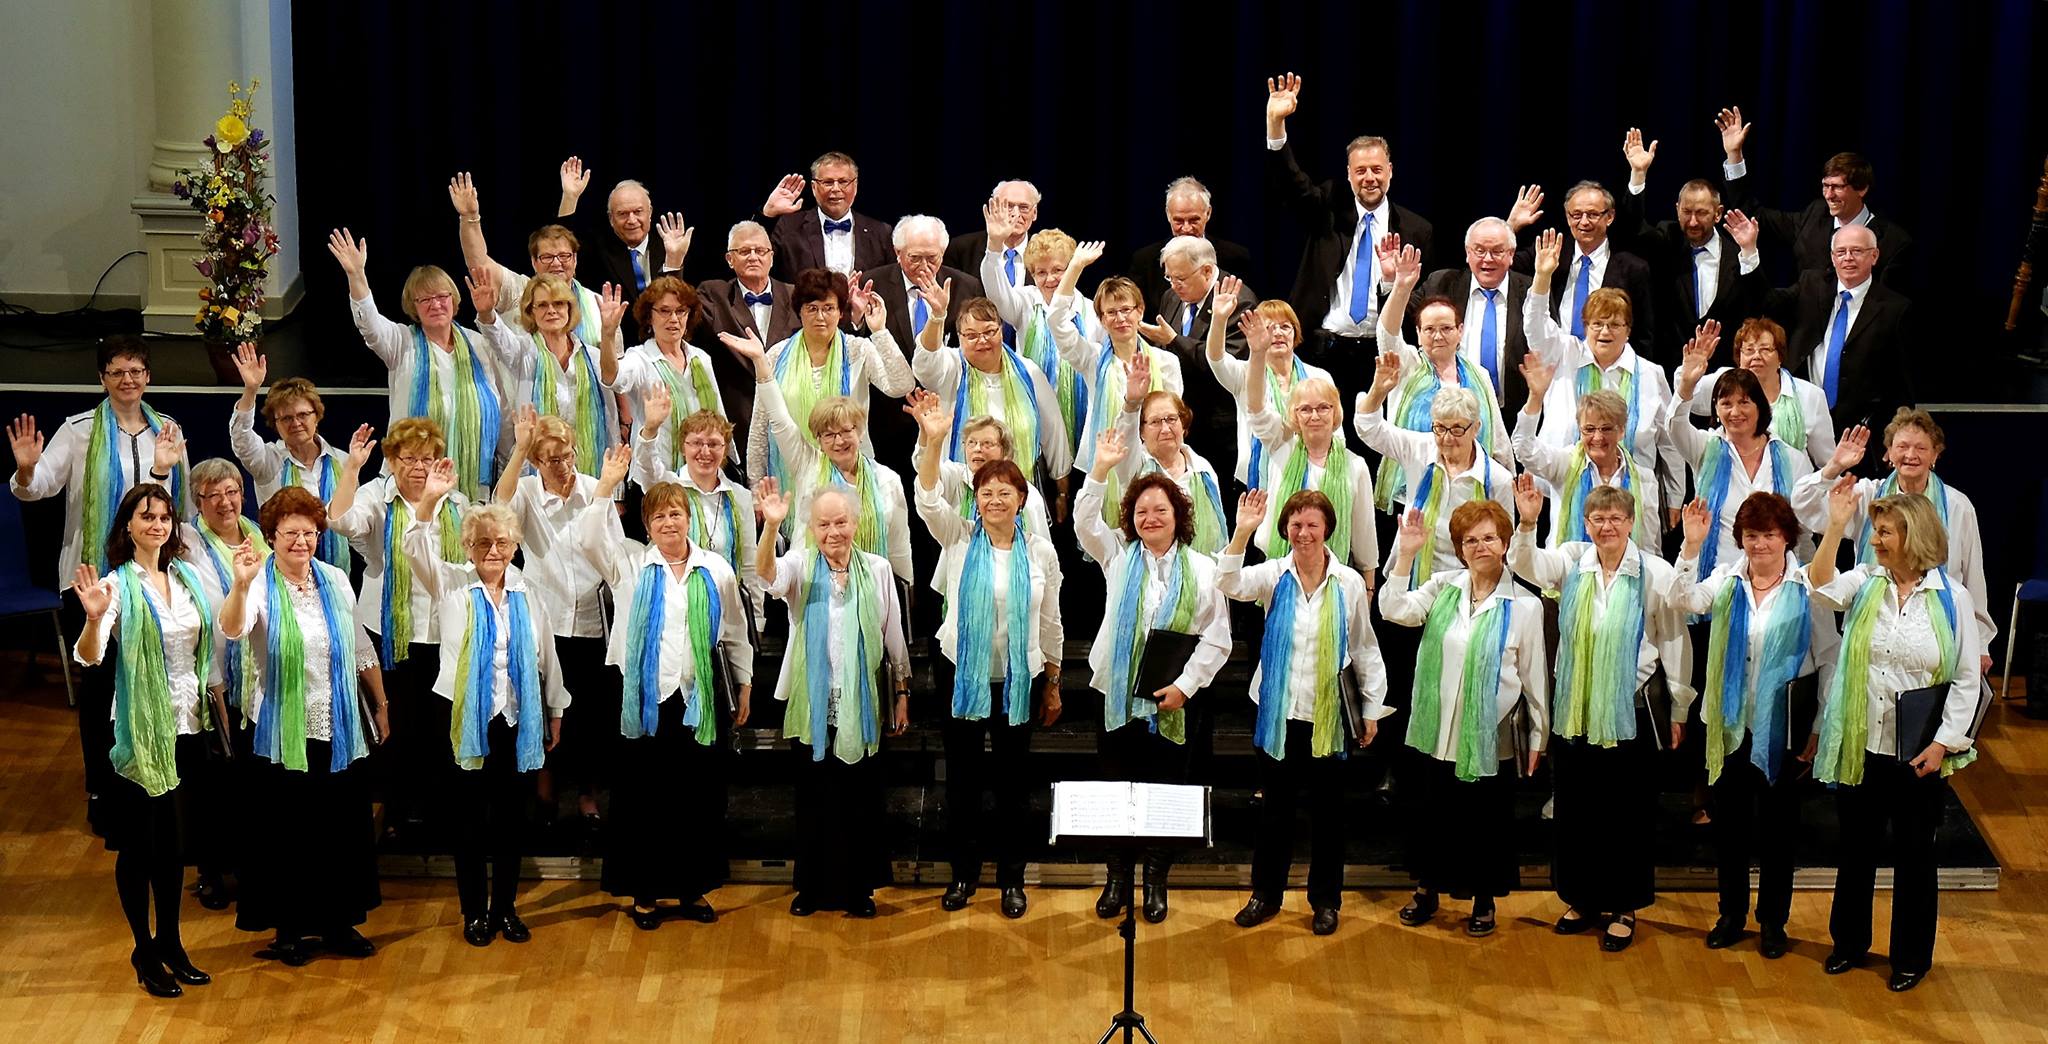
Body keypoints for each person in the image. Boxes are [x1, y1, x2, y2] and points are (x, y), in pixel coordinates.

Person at [11, 335, 191, 834]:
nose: (127, 380)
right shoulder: (80, 431)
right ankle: (101, 789)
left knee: (148, 682)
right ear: (102, 379)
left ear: (148, 377)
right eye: (116, 372)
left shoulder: (168, 432)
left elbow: (174, 510)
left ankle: (149, 782)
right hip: (91, 580)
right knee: (100, 689)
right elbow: (37, 488)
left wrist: (163, 469)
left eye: (135, 371)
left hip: (150, 579)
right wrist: (26, 470)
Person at [1507, 475, 1692, 953]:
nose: (1606, 526)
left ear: (1631, 522)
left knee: (1625, 814)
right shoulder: (1572, 560)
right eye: (1598, 518)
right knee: (1577, 810)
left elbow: (1674, 636)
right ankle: (1581, 899)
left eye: (1615, 518)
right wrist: (1527, 521)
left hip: (1628, 713)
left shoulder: (1651, 571)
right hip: (1577, 709)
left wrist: (1679, 701)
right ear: (1586, 523)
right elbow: (1524, 562)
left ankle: (1624, 905)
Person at [1808, 483, 1982, 992]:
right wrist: (1836, 526)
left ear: (1915, 536)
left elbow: (1967, 679)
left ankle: (1910, 957)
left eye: (1885, 531)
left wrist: (1944, 743)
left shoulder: (1952, 598)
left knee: (1914, 858)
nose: (1877, 539)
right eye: (1876, 530)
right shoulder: (1865, 580)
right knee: (1856, 850)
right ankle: (1849, 943)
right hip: (1863, 746)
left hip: (1918, 755)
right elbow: (1819, 586)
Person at [578, 445, 753, 929]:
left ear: (688, 518)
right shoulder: (631, 567)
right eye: (659, 517)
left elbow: (735, 632)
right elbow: (589, 538)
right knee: (643, 802)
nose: (669, 523)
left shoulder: (714, 568)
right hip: (645, 702)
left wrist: (744, 683)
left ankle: (692, 890)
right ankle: (645, 896)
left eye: (676, 513)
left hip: (699, 701)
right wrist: (606, 485)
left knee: (697, 799)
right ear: (647, 525)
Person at [403, 467, 569, 948]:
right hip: (463, 718)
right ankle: (474, 912)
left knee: (511, 822)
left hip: (516, 720)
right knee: (470, 821)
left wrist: (555, 710)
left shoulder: (527, 593)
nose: (492, 551)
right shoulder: (451, 585)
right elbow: (415, 546)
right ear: (469, 548)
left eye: (501, 543)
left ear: (514, 546)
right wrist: (431, 500)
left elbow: (547, 657)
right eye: (482, 544)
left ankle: (507, 909)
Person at [216, 486, 383, 967]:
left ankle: (339, 922)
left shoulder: (333, 577)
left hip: (338, 722)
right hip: (280, 727)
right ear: (270, 536)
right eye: (290, 533)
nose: (301, 541)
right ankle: (288, 929)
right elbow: (232, 629)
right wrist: (241, 584)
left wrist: (380, 700)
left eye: (309, 532)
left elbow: (356, 646)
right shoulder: (260, 583)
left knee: (339, 829)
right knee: (286, 833)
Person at [1668, 492, 1837, 960]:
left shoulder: (1809, 588)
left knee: (1778, 832)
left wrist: (1820, 726)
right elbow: (1681, 599)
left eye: (1768, 534)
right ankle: (1731, 914)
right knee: (1731, 829)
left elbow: (1828, 660)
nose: (1759, 544)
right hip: (1728, 726)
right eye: (1750, 535)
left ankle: (1773, 923)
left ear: (1787, 537)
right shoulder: (1725, 579)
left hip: (1781, 729)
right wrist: (1691, 545)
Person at [1075, 429, 1231, 924]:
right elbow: (1083, 520)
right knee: (1116, 786)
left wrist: (1184, 687)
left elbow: (1218, 638)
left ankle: (1156, 880)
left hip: (1173, 700)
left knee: (1165, 791)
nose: (1150, 518)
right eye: (1141, 511)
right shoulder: (1118, 559)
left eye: (1160, 510)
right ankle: (1118, 877)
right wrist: (1099, 469)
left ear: (1178, 516)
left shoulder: (1205, 570)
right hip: (1119, 697)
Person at [70, 484, 221, 998]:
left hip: (187, 727)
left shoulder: (188, 577)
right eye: (146, 516)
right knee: (140, 846)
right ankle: (143, 947)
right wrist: (93, 620)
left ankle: (172, 941)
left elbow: (213, 643)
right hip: (140, 732)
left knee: (175, 848)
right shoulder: (116, 585)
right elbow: (88, 658)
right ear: (127, 527)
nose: (157, 524)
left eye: (164, 517)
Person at [1219, 488, 1388, 935]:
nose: (1304, 532)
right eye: (1296, 525)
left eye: (1313, 524)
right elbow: (1228, 583)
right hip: (1278, 712)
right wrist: (1241, 533)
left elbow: (1364, 648)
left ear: (1327, 529)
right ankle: (1265, 894)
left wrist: (1370, 708)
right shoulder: (1274, 574)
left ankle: (1325, 901)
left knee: (1328, 815)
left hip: (1327, 715)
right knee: (1275, 810)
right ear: (1285, 531)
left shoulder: (1350, 582)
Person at [1378, 500, 1547, 937]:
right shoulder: (1442, 588)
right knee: (1433, 816)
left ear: (1506, 543)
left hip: (1490, 735)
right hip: (1437, 731)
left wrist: (1539, 738)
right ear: (1459, 548)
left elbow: (1533, 678)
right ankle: (1427, 889)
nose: (1481, 547)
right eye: (1470, 540)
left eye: (1489, 537)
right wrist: (1407, 554)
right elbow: (1392, 608)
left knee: (1485, 822)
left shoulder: (1525, 606)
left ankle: (1484, 900)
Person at [913, 454, 1064, 919]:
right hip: (963, 674)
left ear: (1022, 499)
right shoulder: (958, 537)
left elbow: (1051, 619)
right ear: (975, 500)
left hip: (1019, 679)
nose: (995, 500)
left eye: (1005, 492)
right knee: (963, 781)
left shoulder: (1040, 551)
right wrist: (932, 439)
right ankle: (963, 874)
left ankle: (1012, 879)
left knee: (1013, 785)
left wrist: (1054, 681)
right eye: (986, 492)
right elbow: (927, 500)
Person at [755, 482, 912, 918]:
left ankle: (858, 889)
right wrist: (770, 526)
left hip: (861, 703)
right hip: (813, 703)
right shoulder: (801, 565)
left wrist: (901, 693)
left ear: (856, 524)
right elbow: (766, 574)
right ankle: (812, 887)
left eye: (841, 522)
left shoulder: (878, 569)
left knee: (860, 799)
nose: (833, 532)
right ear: (811, 527)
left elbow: (892, 636)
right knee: (813, 799)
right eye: (823, 524)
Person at [327, 417, 468, 834]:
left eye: (428, 458)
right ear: (392, 459)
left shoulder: (455, 503)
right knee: (396, 724)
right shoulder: (376, 497)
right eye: (409, 458)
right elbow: (339, 520)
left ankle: (439, 806)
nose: (420, 467)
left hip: (442, 629)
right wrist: (352, 467)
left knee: (438, 722)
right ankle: (398, 808)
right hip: (387, 629)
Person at [1263, 72, 1435, 411]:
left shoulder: (1417, 229)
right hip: (1325, 351)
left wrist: (1390, 282)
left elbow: (1420, 303)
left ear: (1390, 171)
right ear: (1348, 174)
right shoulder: (1327, 207)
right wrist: (1276, 128)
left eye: (1376, 169)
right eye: (1360, 171)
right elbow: (1293, 186)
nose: (1369, 178)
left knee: (1378, 447)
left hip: (1382, 355)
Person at [1791, 410, 1995, 676]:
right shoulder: (1867, 496)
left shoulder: (1957, 506)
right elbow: (1803, 505)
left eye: (1921, 447)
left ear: (1935, 455)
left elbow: (1973, 577)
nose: (1911, 454)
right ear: (1888, 453)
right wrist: (1834, 466)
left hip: (1936, 633)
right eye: (1902, 446)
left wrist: (1980, 644)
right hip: (1872, 629)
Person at [494, 408, 618, 824]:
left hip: (593, 618)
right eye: (551, 459)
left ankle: (587, 792)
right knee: (547, 705)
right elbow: (499, 507)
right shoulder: (527, 491)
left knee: (592, 711)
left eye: (567, 455)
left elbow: (614, 549)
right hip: (548, 618)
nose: (562, 465)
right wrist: (520, 447)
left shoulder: (593, 489)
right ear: (535, 461)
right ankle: (544, 787)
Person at [329, 228, 505, 503]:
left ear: (454, 300)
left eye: (441, 296)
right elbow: (370, 324)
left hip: (472, 483)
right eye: (425, 299)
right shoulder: (401, 342)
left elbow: (500, 406)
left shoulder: (480, 345)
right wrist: (356, 275)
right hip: (413, 482)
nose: (435, 304)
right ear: (414, 306)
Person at [1525, 229, 1683, 530]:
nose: (1605, 332)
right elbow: (1535, 327)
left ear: (1628, 329)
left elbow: (1669, 442)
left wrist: (1674, 497)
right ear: (1585, 326)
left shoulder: (1650, 374)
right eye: (1597, 324)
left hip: (1633, 495)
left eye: (1614, 324)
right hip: (1567, 491)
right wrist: (1542, 278)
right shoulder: (1565, 356)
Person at [736, 333, 913, 582]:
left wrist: (905, 594)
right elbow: (778, 418)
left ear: (860, 431)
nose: (839, 441)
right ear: (817, 439)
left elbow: (899, 550)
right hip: (811, 590)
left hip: (871, 593)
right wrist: (761, 364)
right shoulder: (807, 463)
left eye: (845, 432)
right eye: (828, 435)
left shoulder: (888, 480)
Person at [1730, 214, 1913, 440]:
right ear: (1832, 258)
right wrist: (1749, 251)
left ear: (1874, 256)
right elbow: (1767, 305)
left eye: (1857, 251)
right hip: (1802, 423)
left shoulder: (1895, 309)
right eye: (1841, 252)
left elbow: (1901, 384)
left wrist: (1897, 436)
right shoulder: (1811, 285)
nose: (1848, 258)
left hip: (1861, 433)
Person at [729, 268, 913, 485]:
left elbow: (901, 385)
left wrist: (880, 331)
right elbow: (760, 423)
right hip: (792, 474)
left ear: (840, 313)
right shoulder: (777, 355)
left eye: (828, 308)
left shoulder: (858, 349)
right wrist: (756, 484)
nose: (820, 317)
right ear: (800, 312)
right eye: (812, 308)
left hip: (851, 472)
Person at [1355, 352, 1516, 587]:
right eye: (1440, 428)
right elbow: (1368, 429)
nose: (1448, 438)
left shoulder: (1497, 479)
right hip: (1414, 580)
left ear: (1476, 428)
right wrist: (1378, 391)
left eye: (1457, 429)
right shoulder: (1419, 449)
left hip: (1468, 586)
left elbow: (1503, 543)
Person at [1666, 327, 1815, 576]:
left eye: (1744, 402)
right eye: (1726, 403)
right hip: (1717, 581)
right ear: (1716, 409)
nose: (1735, 412)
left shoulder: (1793, 459)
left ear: (1760, 406)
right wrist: (1687, 384)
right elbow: (1674, 425)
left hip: (1777, 586)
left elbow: (1804, 530)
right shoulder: (1704, 448)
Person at [1716, 109, 1914, 290]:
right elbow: (1754, 214)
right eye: (1825, 186)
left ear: (1861, 189)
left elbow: (1889, 308)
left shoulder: (1893, 242)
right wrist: (1735, 156)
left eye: (1837, 187)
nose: (1828, 195)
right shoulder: (1813, 216)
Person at [1372, 245, 1511, 501]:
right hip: (1414, 490)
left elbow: (1499, 439)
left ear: (1460, 331)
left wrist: (1506, 482)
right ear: (1418, 334)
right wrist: (1401, 287)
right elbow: (1386, 334)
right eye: (1429, 329)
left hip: (1472, 490)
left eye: (1446, 328)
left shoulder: (1478, 374)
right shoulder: (1409, 364)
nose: (1438, 336)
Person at [1243, 322, 1378, 583]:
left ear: (1335, 412)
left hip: (1334, 574)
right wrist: (1258, 354)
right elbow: (1257, 409)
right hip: (1278, 571)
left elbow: (1364, 531)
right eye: (1305, 409)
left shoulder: (1356, 465)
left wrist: (1369, 586)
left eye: (1323, 408)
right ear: (1294, 415)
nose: (1314, 415)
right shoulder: (1280, 446)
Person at [1616, 127, 1762, 365]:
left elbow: (1757, 303)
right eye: (1686, 212)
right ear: (1677, 210)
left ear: (1718, 214)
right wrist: (1638, 174)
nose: (1692, 221)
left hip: (1723, 371)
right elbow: (1631, 232)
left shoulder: (1739, 252)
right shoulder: (1667, 239)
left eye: (1702, 213)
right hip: (1670, 369)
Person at [470, 267, 627, 483]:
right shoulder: (523, 352)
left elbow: (610, 421)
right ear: (530, 312)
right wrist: (487, 313)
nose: (551, 310)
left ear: (570, 308)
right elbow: (498, 338)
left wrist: (615, 490)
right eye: (542, 305)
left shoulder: (593, 356)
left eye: (558, 303)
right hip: (537, 478)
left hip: (589, 476)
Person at [1048, 241, 1186, 483]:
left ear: (1140, 311)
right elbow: (1056, 322)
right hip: (1102, 467)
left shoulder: (1166, 362)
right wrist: (1076, 266)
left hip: (1152, 466)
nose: (1120, 318)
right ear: (1101, 319)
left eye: (1126, 309)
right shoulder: (1091, 359)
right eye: (1111, 312)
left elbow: (1174, 420)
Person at [910, 281, 1070, 483]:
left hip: (1018, 490)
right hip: (962, 491)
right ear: (959, 338)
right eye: (972, 336)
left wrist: (1061, 485)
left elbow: (1054, 430)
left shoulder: (1028, 371)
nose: (982, 340)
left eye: (989, 332)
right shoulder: (951, 367)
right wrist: (937, 316)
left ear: (1001, 330)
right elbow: (925, 363)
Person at [631, 386, 762, 622]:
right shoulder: (669, 487)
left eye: (713, 444)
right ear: (683, 447)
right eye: (696, 443)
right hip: (673, 609)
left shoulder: (739, 496)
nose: (705, 451)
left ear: (725, 449)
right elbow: (647, 468)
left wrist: (756, 620)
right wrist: (650, 429)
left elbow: (750, 564)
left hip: (725, 611)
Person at [227, 344, 363, 568]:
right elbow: (241, 438)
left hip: (337, 574)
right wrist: (251, 390)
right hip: (282, 573)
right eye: (286, 418)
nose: (296, 423)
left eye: (302, 415)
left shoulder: (343, 461)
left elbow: (353, 522)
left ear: (316, 416)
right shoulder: (268, 461)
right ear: (275, 424)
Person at [980, 223, 1097, 472]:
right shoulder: (1025, 302)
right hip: (1034, 418)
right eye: (1041, 272)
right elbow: (996, 292)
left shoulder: (1091, 312)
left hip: (1082, 418)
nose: (1051, 279)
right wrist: (993, 247)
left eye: (1058, 270)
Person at [1139, 236, 1257, 471]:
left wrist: (1174, 340)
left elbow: (1223, 364)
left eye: (1180, 278)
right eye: (1169, 277)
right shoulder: (1172, 296)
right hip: (1180, 423)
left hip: (1218, 426)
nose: (1174, 285)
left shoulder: (1239, 303)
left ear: (1206, 271)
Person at [1506, 180, 1658, 358]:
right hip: (1554, 364)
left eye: (1593, 214)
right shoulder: (1549, 252)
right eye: (1576, 215)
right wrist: (1510, 226)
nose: (1584, 222)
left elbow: (1643, 335)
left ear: (1609, 217)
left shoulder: (1633, 268)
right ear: (1567, 216)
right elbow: (1499, 266)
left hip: (1608, 368)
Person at [450, 172, 606, 346]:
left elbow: (614, 365)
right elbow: (479, 264)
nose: (556, 263)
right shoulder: (519, 291)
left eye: (563, 256)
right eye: (547, 257)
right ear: (534, 262)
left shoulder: (597, 304)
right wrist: (469, 218)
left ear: (575, 259)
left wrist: (570, 198)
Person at [1206, 279, 1335, 488]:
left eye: (1285, 326)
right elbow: (1216, 358)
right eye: (1269, 327)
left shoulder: (1319, 377)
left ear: (1295, 333)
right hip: (1258, 481)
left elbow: (1335, 430)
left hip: (1312, 477)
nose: (1277, 333)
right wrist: (1219, 319)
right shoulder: (1244, 373)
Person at [554, 158, 689, 343]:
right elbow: (562, 244)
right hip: (618, 348)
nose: (631, 220)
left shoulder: (671, 244)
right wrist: (570, 197)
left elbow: (681, 300)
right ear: (611, 219)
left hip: (668, 344)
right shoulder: (599, 248)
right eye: (623, 214)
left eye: (638, 212)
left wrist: (674, 260)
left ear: (650, 213)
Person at [1512, 382, 1657, 549]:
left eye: (1606, 429)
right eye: (1589, 429)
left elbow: (1649, 546)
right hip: (1567, 570)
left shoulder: (1644, 479)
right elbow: (1524, 448)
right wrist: (1535, 397)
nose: (1597, 437)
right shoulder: (1565, 464)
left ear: (1622, 430)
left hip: (1624, 571)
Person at [1679, 318, 1836, 470]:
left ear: (1780, 357)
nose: (1756, 356)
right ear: (1739, 357)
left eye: (1765, 349)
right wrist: (1690, 371)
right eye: (1749, 350)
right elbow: (1685, 398)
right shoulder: (1723, 383)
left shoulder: (1810, 396)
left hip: (1792, 490)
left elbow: (1827, 462)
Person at [696, 221, 799, 453]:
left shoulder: (796, 296)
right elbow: (677, 310)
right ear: (729, 260)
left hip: (791, 416)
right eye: (744, 251)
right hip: (738, 420)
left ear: (771, 257)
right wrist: (674, 263)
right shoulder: (714, 295)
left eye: (760, 251)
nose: (753, 257)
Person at [1420, 219, 1535, 418]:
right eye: (1479, 250)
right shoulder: (1442, 283)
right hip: (1451, 415)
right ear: (1468, 253)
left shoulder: (1532, 292)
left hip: (1515, 415)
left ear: (1511, 255)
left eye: (1497, 251)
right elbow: (1397, 320)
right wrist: (1394, 283)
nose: (1487, 259)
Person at [612, 276, 728, 472]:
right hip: (655, 476)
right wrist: (608, 335)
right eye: (665, 311)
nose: (674, 319)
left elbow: (719, 417)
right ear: (650, 316)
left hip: (702, 471)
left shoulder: (701, 358)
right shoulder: (640, 358)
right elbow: (613, 378)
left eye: (681, 311)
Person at [1104, 391, 1229, 555]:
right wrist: (1131, 404)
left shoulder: (1203, 469)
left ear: (1183, 425)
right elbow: (1124, 438)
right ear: (1141, 431)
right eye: (1155, 422)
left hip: (1203, 571)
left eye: (1171, 419)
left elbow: (1219, 532)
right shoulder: (1135, 467)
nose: (1165, 429)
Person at [1127, 177, 1255, 313]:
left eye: (1194, 220)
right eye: (1179, 221)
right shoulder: (1145, 261)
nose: (1186, 228)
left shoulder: (1236, 257)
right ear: (1168, 215)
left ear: (1208, 213)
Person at [759, 153, 896, 280]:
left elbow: (892, 282)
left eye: (843, 182)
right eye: (828, 182)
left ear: (855, 185)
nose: (836, 189)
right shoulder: (788, 227)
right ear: (814, 187)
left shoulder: (881, 232)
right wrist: (767, 214)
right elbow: (752, 255)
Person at [946, 180, 1042, 283]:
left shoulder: (1045, 252)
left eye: (1024, 207)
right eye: (1008, 206)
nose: (1016, 213)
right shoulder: (962, 249)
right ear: (994, 208)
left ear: (1034, 213)